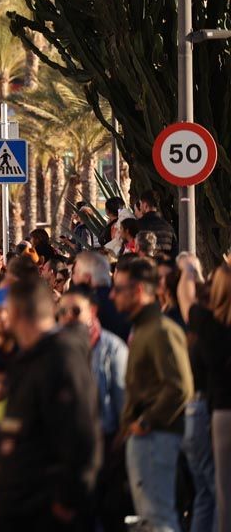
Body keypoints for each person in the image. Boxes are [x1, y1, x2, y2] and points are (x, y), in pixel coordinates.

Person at [0, 277, 100, 531]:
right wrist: (4, 469)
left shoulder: (62, 358)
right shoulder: (28, 356)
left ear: (16, 312)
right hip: (19, 501)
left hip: (44, 511)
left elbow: (82, 437)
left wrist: (67, 500)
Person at [112, 257, 194, 532]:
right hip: (147, 437)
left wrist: (145, 422)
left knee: (159, 520)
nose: (113, 295)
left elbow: (180, 386)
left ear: (137, 291)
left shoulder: (160, 331)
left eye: (119, 288)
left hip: (156, 437)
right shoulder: (145, 328)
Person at [58, 285, 132, 532]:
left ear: (93, 311)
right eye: (63, 311)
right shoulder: (54, 348)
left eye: (76, 311)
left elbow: (123, 407)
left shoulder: (113, 349)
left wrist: (116, 450)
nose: (68, 316)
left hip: (104, 449)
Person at [178, 254, 231, 532]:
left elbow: (187, 298)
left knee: (222, 494)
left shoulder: (211, 327)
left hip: (222, 413)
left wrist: (189, 268)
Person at [72, 249, 130, 340]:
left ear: (87, 278)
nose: (73, 277)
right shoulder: (125, 300)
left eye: (75, 273)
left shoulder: (86, 307)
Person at [134, 189, 178, 257]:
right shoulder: (168, 227)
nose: (140, 207)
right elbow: (174, 251)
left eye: (140, 204)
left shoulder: (138, 225)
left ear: (145, 205)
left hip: (144, 265)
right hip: (164, 265)